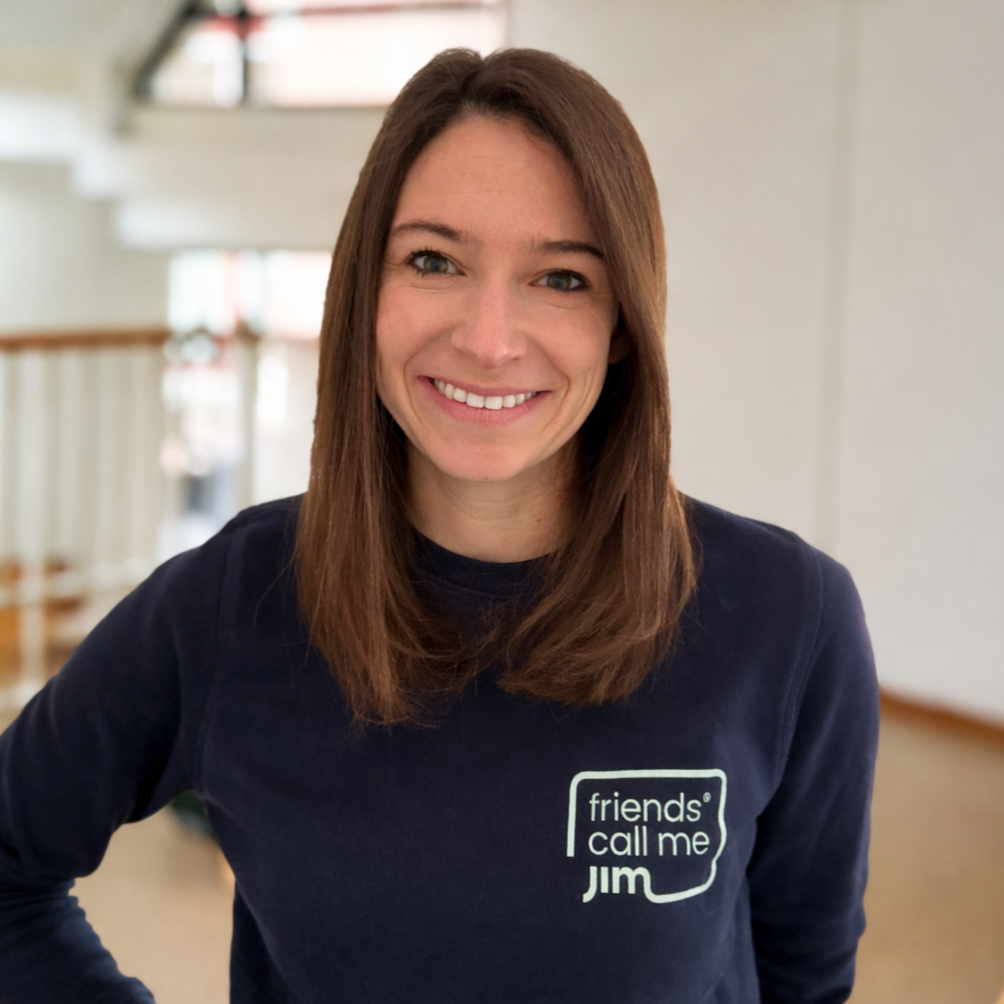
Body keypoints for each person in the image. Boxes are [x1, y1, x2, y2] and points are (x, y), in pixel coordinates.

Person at [0, 48, 878, 1003]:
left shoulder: (790, 619)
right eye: (433, 260)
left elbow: (806, 977)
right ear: (363, 294)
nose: (489, 340)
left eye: (562, 279)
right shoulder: (229, 603)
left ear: (624, 322)